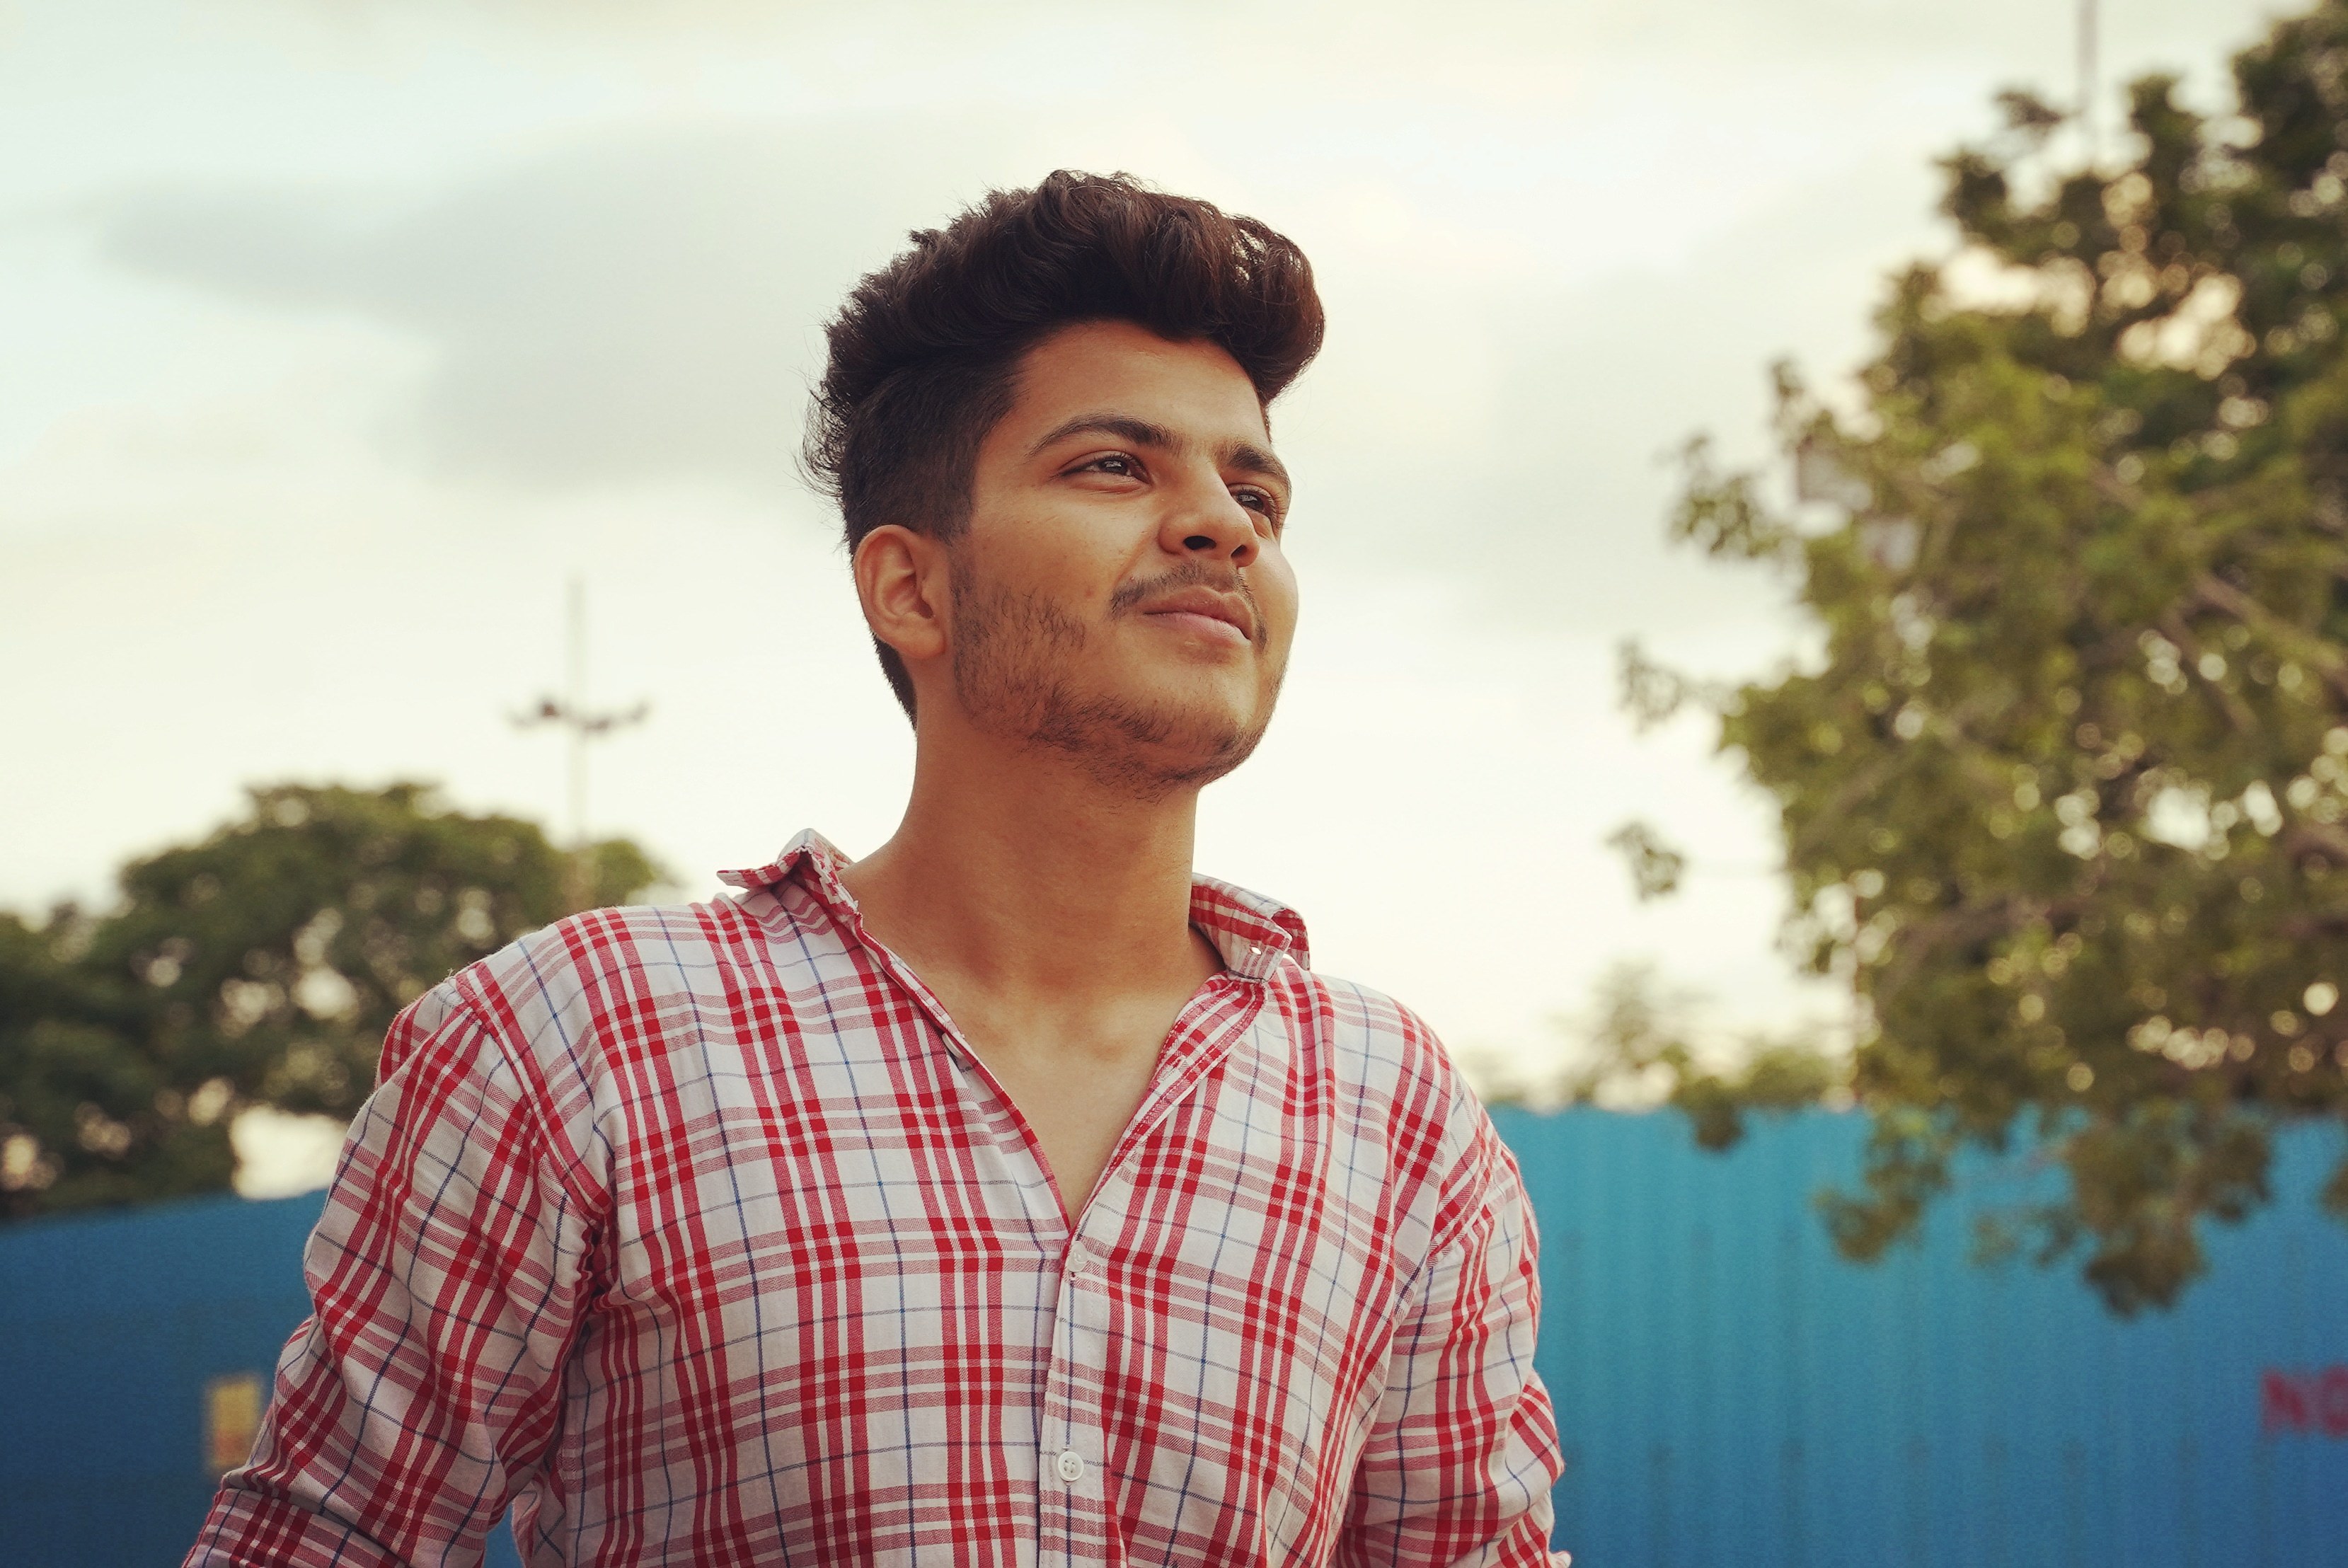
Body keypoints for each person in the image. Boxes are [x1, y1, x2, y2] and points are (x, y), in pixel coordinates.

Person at [187, 170, 1567, 1568]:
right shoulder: (582, 1042)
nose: (1224, 524)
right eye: (1114, 466)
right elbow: (323, 1537)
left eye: (1254, 488)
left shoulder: (1391, 1112)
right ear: (910, 586)